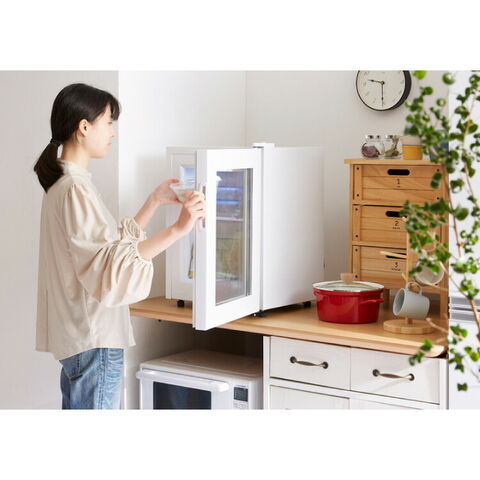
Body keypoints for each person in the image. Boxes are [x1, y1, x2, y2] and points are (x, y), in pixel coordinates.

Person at [33, 83, 205, 409]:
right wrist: (178, 229)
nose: (112, 132)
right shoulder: (75, 188)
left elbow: (105, 249)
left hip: (80, 340)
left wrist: (153, 203)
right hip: (94, 340)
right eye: (108, 122)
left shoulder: (63, 183)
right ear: (84, 127)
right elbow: (111, 266)